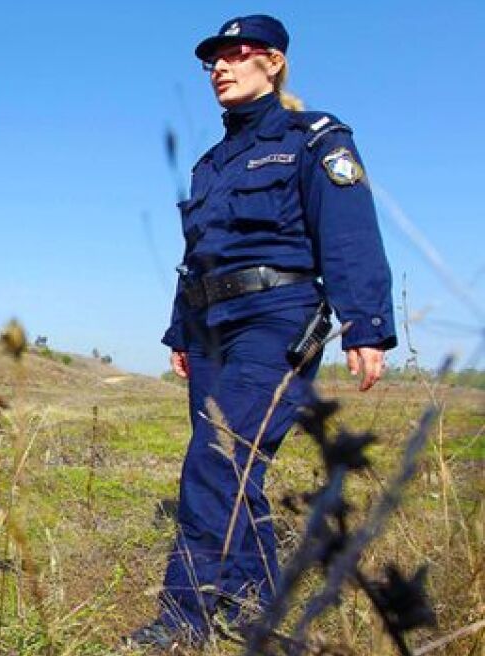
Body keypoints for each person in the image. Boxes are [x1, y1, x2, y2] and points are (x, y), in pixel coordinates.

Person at [130, 15, 396, 650]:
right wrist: (179, 333)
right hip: (209, 327)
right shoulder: (212, 162)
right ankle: (257, 611)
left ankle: (182, 619)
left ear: (273, 62)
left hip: (277, 317)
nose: (220, 67)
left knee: (217, 459)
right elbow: (199, 250)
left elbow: (348, 229)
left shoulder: (314, 138)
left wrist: (366, 324)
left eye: (237, 55)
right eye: (213, 61)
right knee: (234, 470)